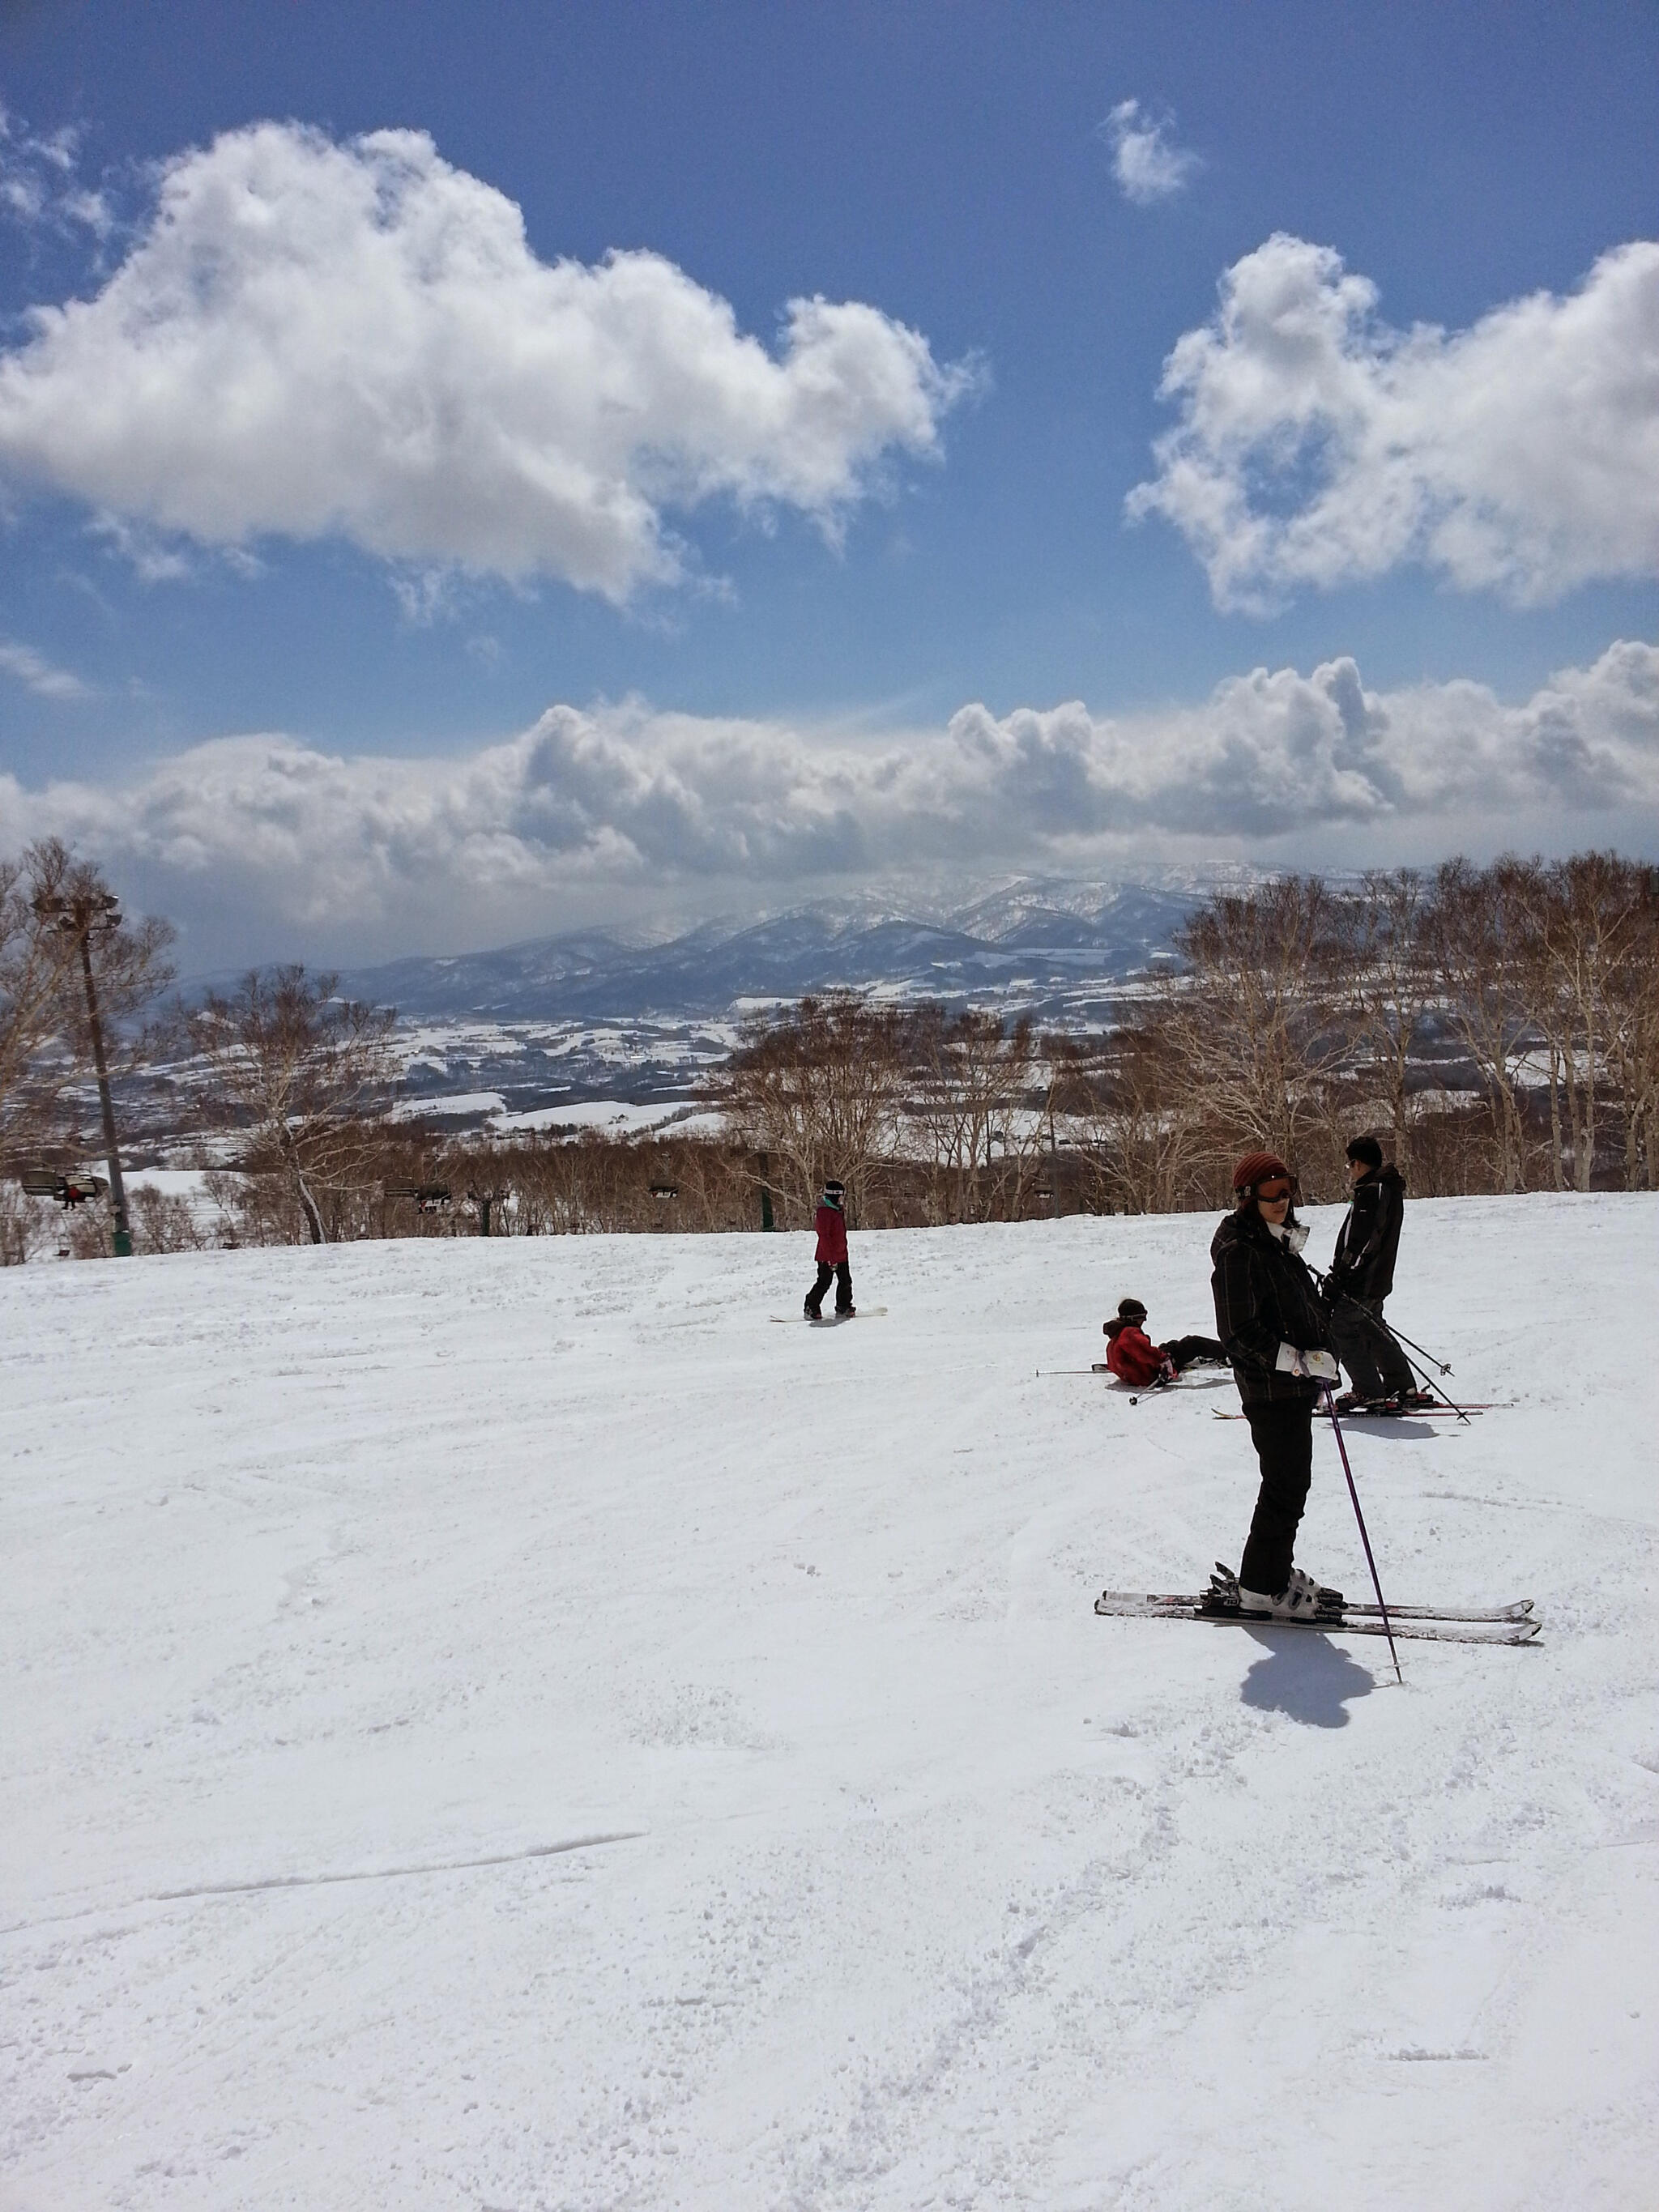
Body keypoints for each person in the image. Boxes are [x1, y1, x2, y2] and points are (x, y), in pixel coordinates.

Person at [1210, 1150, 1341, 1621]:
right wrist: (1300, 1361)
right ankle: (1262, 1587)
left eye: (1287, 1189)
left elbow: (1293, 1306)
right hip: (1271, 1391)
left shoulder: (1275, 1242)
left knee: (1290, 1485)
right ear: (1248, 1197)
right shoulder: (1239, 1252)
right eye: (1270, 1192)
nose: (1281, 1200)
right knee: (1285, 1488)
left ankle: (1270, 1573)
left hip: (1290, 1388)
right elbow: (1239, 1333)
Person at [1324, 1136, 1427, 1411]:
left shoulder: (1373, 1191)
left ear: (1357, 1163)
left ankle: (1369, 1390)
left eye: (1350, 1165)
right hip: (1376, 1278)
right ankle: (1400, 1384)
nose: (1350, 1170)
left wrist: (1342, 1274)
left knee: (1342, 1328)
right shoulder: (1388, 1188)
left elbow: (1364, 1240)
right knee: (1371, 1326)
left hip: (1362, 1280)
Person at [1101, 1298, 1226, 1388]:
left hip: (1139, 1375)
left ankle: (1181, 1354)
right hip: (1154, 1376)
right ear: (1135, 1318)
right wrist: (1164, 1361)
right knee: (1193, 1342)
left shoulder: (1117, 1334)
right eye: (1142, 1318)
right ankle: (1230, 1352)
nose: (1143, 1321)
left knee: (1169, 1346)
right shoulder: (1130, 1333)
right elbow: (1146, 1353)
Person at [803, 1178, 854, 1319]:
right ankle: (811, 1306)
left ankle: (843, 1306)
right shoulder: (825, 1213)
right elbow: (824, 1237)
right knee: (824, 1282)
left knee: (845, 1281)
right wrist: (831, 1259)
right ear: (835, 1195)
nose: (842, 1199)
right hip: (827, 1256)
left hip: (841, 1254)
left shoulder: (837, 1211)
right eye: (841, 1196)